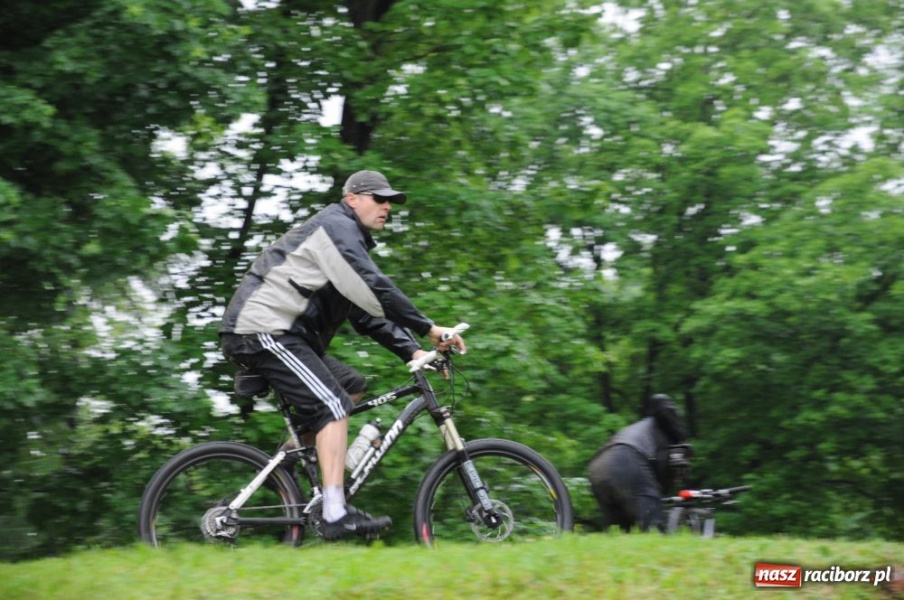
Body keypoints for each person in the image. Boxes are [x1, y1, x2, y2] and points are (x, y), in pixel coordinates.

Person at [219, 170, 466, 541]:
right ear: (352, 199)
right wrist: (428, 328)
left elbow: (366, 315)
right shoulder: (335, 228)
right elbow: (375, 286)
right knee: (333, 406)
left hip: (286, 336)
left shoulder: (344, 242)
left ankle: (284, 467)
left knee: (350, 386)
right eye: (378, 199)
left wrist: (414, 350)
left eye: (390, 202)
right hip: (261, 329)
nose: (386, 207)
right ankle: (335, 513)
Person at [587, 394, 691, 533]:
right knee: (653, 527)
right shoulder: (662, 429)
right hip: (625, 457)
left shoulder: (639, 427)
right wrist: (681, 436)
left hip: (598, 465)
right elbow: (662, 468)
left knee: (619, 532)